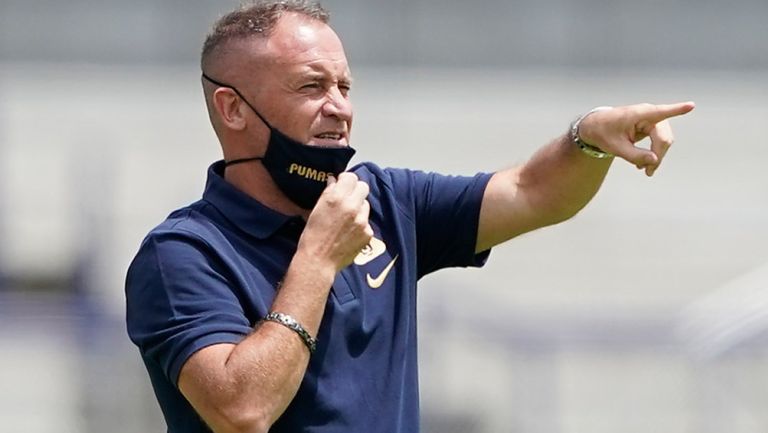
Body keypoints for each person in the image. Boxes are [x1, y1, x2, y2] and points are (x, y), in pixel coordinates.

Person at [125, 1, 695, 432]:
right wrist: (317, 259)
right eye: (312, 86)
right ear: (233, 108)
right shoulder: (182, 253)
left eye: (345, 86)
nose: (340, 107)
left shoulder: (385, 199)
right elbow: (241, 410)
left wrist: (588, 137)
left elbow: (533, 191)